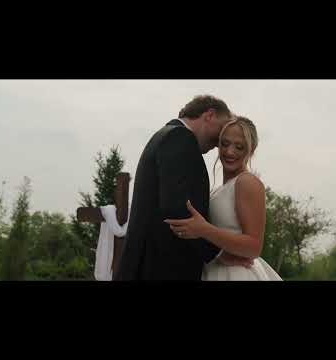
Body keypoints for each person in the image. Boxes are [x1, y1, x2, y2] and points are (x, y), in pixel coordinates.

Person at [113, 95, 253, 280]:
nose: (220, 140)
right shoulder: (180, 138)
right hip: (161, 269)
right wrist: (217, 254)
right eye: (222, 129)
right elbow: (177, 208)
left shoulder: (167, 135)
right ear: (209, 115)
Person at [165, 116, 282, 280]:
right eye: (225, 144)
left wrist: (204, 230)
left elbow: (254, 247)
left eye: (239, 147)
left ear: (251, 149)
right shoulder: (217, 190)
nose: (229, 152)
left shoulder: (247, 182)